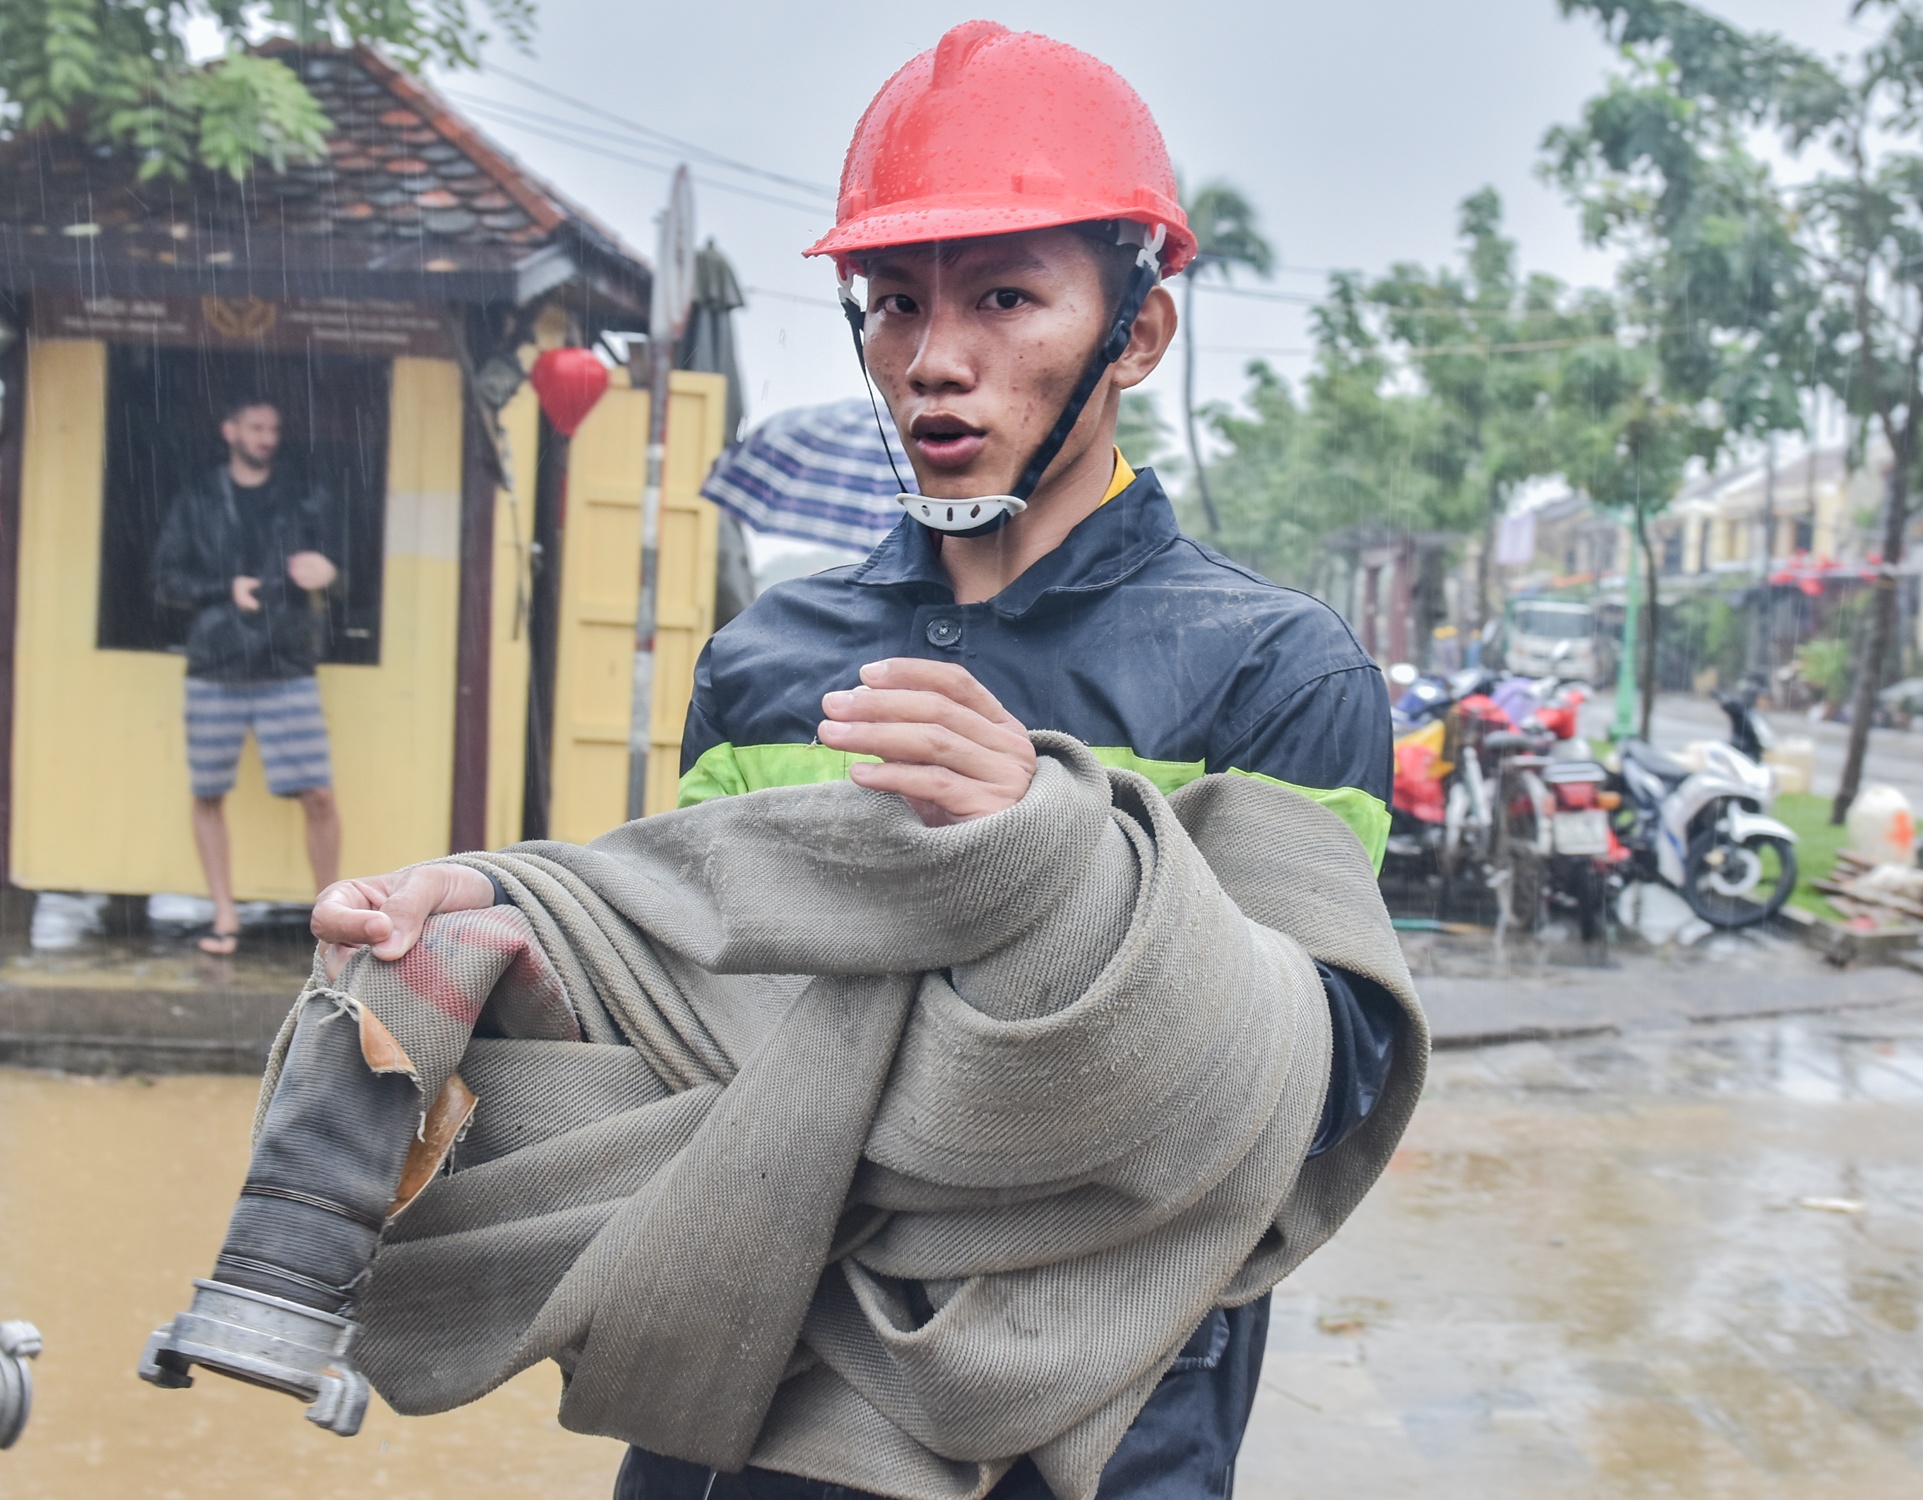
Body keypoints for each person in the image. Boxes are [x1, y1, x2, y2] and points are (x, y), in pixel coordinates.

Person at [312, 22, 1399, 1498]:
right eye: (892, 305)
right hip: (747, 1388)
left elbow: (1312, 1092)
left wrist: (1062, 854)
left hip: (1092, 1422)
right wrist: (497, 940)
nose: (933, 360)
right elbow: (682, 1036)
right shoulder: (767, 658)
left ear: (1135, 335)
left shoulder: (1272, 671)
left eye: (1005, 298)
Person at [154, 394, 342, 955]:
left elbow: (348, 572)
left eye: (273, 427)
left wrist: (330, 572)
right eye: (256, 427)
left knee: (321, 795)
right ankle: (224, 917)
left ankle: (330, 919)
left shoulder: (303, 496)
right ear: (229, 430)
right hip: (216, 665)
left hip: (286, 662)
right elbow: (165, 582)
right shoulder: (198, 499)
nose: (267, 437)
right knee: (208, 792)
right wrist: (224, 590)